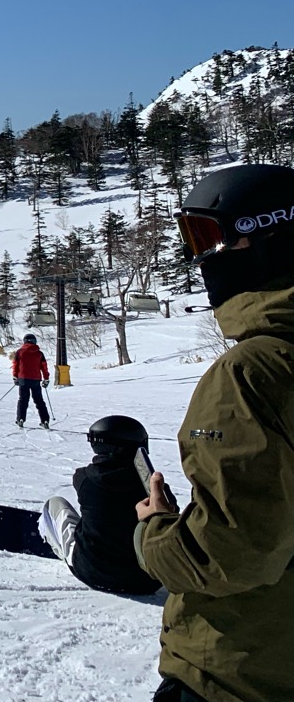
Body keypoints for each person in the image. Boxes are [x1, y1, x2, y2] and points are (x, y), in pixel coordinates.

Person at [134, 164, 294, 702]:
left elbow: (232, 552)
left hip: (243, 674)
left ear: (268, 235)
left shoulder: (253, 375)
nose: (201, 258)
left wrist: (154, 533)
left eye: (208, 238)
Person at [37, 415, 161, 595]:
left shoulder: (86, 479)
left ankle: (56, 541)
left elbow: (88, 480)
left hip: (92, 573)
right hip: (147, 580)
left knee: (55, 504)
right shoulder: (155, 487)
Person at [10, 333, 50, 428]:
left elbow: (15, 365)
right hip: (36, 379)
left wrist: (15, 377)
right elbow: (44, 367)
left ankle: (20, 419)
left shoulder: (19, 352)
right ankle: (44, 421)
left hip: (23, 379)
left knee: (23, 400)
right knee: (39, 400)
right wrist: (46, 378)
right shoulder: (39, 353)